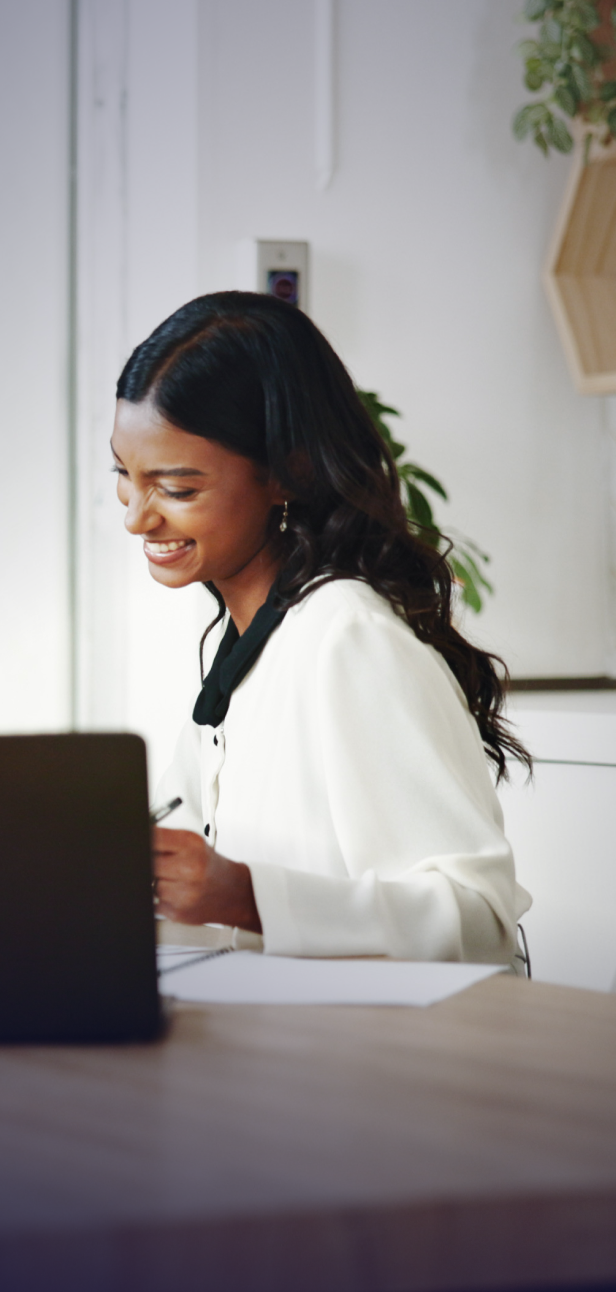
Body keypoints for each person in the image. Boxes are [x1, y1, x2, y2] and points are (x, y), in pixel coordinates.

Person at [112, 292, 530, 964]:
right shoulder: (246, 644)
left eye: (178, 489)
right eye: (125, 476)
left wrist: (245, 896)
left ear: (288, 473)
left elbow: (479, 921)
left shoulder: (348, 637)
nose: (136, 516)